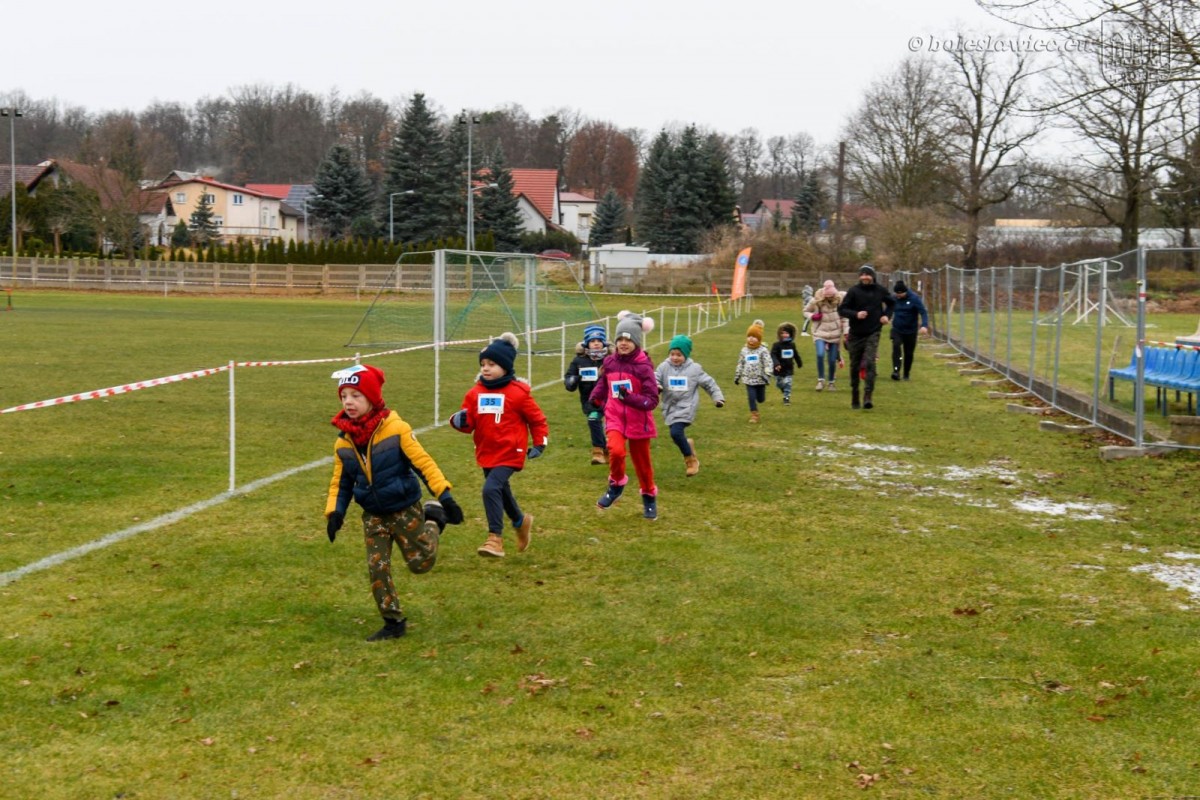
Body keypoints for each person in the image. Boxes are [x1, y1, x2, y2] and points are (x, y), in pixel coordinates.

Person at [325, 363, 465, 642]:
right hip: (374, 515)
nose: (349, 402)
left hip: (404, 507)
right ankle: (393, 622)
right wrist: (335, 513)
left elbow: (424, 463)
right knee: (377, 567)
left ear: (372, 398)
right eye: (344, 396)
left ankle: (434, 520)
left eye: (356, 395)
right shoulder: (343, 443)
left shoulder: (396, 429)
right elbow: (340, 483)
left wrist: (444, 496)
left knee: (420, 563)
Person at [449, 332, 549, 559]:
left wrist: (540, 443)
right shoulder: (475, 393)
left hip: (511, 452)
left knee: (491, 488)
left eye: (491, 364)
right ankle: (520, 521)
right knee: (502, 491)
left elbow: (537, 420)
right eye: (483, 364)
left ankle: (495, 539)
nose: (485, 368)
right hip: (487, 451)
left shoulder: (519, 394)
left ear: (505, 366)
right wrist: (458, 421)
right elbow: (468, 422)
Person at [588, 310, 660, 519]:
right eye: (619, 339)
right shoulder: (610, 362)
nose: (623, 343)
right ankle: (616, 483)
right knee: (616, 451)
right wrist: (596, 398)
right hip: (615, 416)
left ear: (636, 341)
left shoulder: (643, 367)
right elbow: (604, 382)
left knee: (643, 464)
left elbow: (651, 400)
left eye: (628, 339)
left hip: (639, 420)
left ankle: (649, 497)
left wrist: (628, 397)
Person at [655, 334, 725, 477]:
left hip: (687, 406)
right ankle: (689, 446)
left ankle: (691, 460)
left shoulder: (694, 369)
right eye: (672, 354)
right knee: (676, 436)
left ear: (685, 355)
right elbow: (654, 377)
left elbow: (709, 383)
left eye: (679, 355)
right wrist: (656, 385)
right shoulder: (663, 367)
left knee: (675, 432)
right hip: (669, 407)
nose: (675, 357)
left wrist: (718, 398)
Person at [838, 265, 895, 410]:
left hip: (873, 332)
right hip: (856, 333)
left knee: (870, 362)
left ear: (873, 276)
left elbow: (892, 303)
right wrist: (856, 314)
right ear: (859, 277)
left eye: (867, 275)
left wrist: (886, 315)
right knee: (854, 365)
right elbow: (842, 309)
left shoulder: (880, 290)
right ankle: (855, 394)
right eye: (862, 275)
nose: (865, 277)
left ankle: (868, 395)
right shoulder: (853, 291)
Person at [564, 324, 612, 465]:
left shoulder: (611, 359)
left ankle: (603, 450)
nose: (596, 343)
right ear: (587, 344)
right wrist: (572, 381)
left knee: (609, 426)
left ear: (603, 342)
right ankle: (600, 451)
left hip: (610, 398)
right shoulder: (579, 361)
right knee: (593, 419)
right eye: (592, 341)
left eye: (599, 340)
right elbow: (569, 377)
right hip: (589, 399)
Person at [805, 280, 848, 392]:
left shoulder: (839, 301)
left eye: (831, 295)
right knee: (820, 354)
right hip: (820, 333)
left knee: (832, 359)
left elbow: (844, 318)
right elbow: (805, 311)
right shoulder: (816, 300)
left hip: (835, 334)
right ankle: (820, 380)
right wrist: (813, 316)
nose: (829, 297)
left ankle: (831, 383)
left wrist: (846, 332)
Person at [734, 318, 774, 423]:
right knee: (751, 397)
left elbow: (768, 362)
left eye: (754, 337)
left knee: (761, 399)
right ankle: (754, 414)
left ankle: (760, 398)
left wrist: (768, 373)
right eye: (749, 336)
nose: (751, 339)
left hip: (760, 379)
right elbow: (740, 363)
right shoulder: (744, 350)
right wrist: (737, 375)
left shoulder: (763, 350)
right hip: (748, 379)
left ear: (759, 338)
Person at [889, 279, 930, 381]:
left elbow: (923, 312)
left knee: (908, 353)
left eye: (901, 293)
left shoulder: (914, 299)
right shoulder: (894, 298)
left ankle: (906, 374)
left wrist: (924, 325)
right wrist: (886, 316)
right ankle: (896, 371)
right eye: (896, 293)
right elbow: (888, 309)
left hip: (910, 330)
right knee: (896, 347)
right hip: (897, 329)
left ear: (905, 291)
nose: (898, 295)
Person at [769, 322, 804, 405]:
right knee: (779, 383)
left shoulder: (792, 345)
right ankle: (783, 389)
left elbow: (795, 354)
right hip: (778, 369)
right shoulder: (776, 345)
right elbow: (773, 355)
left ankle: (786, 398)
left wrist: (799, 362)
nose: (784, 335)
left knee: (788, 382)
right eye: (783, 333)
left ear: (790, 334)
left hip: (789, 368)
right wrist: (776, 364)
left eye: (786, 333)